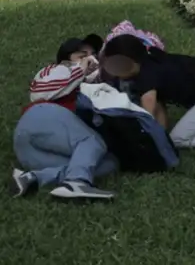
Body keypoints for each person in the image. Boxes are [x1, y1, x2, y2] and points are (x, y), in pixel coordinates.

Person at [11, 44, 117, 201]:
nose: (90, 59)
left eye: (93, 55)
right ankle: (77, 182)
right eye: (82, 55)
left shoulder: (95, 81)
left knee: (107, 164)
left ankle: (32, 178)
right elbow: (39, 92)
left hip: (32, 152)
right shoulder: (59, 69)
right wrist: (80, 69)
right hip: (41, 117)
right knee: (92, 141)